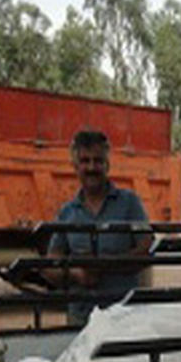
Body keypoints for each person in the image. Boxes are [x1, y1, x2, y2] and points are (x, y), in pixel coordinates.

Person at [45, 128, 150, 326]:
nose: (92, 167)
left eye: (98, 160)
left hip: (124, 316)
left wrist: (106, 264)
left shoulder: (129, 203)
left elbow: (147, 247)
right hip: (80, 319)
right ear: (75, 166)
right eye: (85, 161)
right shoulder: (66, 213)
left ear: (107, 165)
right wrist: (76, 274)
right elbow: (51, 265)